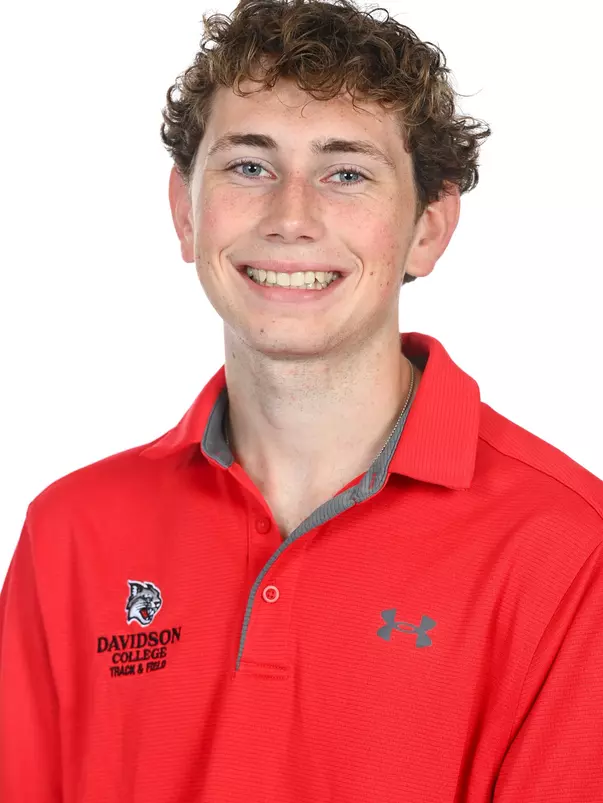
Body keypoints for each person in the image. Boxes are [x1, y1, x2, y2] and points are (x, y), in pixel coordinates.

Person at [1, 0, 602, 800]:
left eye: (345, 173)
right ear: (185, 211)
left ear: (428, 227)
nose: (290, 217)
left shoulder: (568, 549)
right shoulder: (71, 531)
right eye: (249, 166)